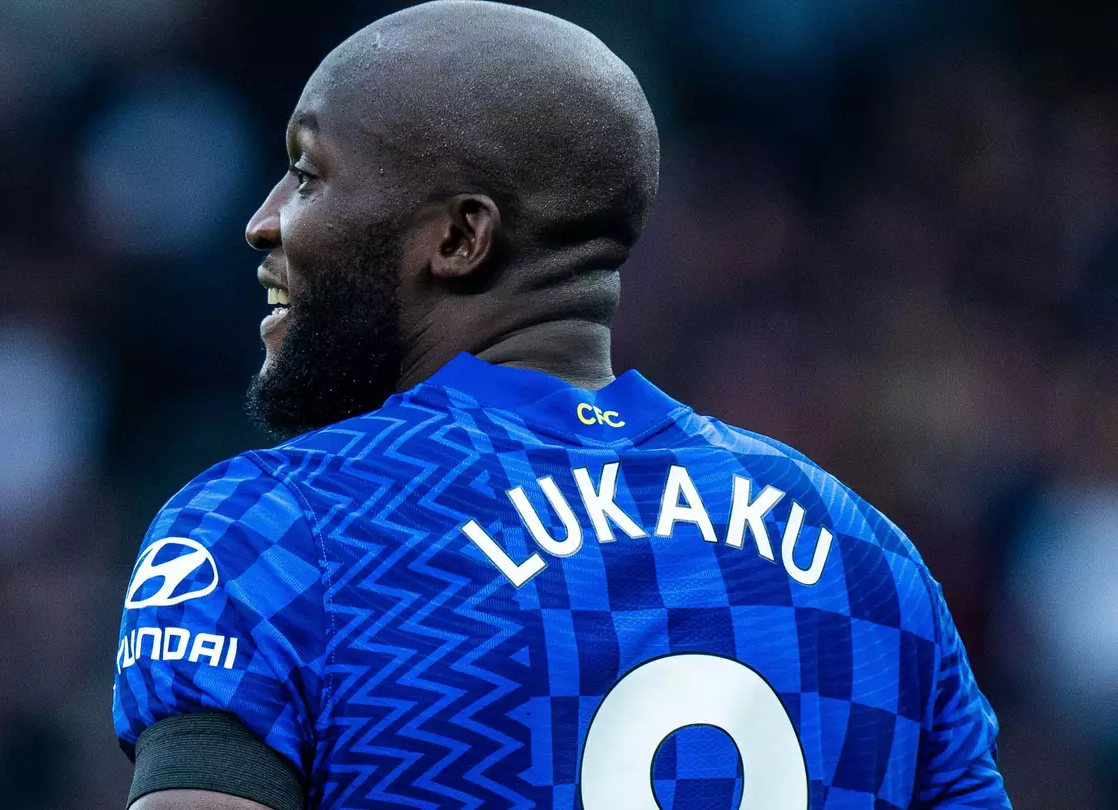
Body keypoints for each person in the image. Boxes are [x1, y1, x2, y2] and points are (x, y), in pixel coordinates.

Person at [112, 2, 1011, 807]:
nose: (264, 219)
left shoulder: (277, 532)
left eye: (308, 176)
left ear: (461, 237)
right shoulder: (872, 567)